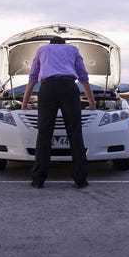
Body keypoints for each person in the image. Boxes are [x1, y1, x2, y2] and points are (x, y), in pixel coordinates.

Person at [22, 36, 96, 189]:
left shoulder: (42, 50)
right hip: (69, 88)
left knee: (44, 133)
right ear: (63, 44)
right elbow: (83, 77)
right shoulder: (73, 49)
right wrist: (92, 103)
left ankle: (38, 180)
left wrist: (24, 104)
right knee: (75, 133)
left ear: (51, 44)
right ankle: (80, 179)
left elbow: (33, 77)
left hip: (48, 88)